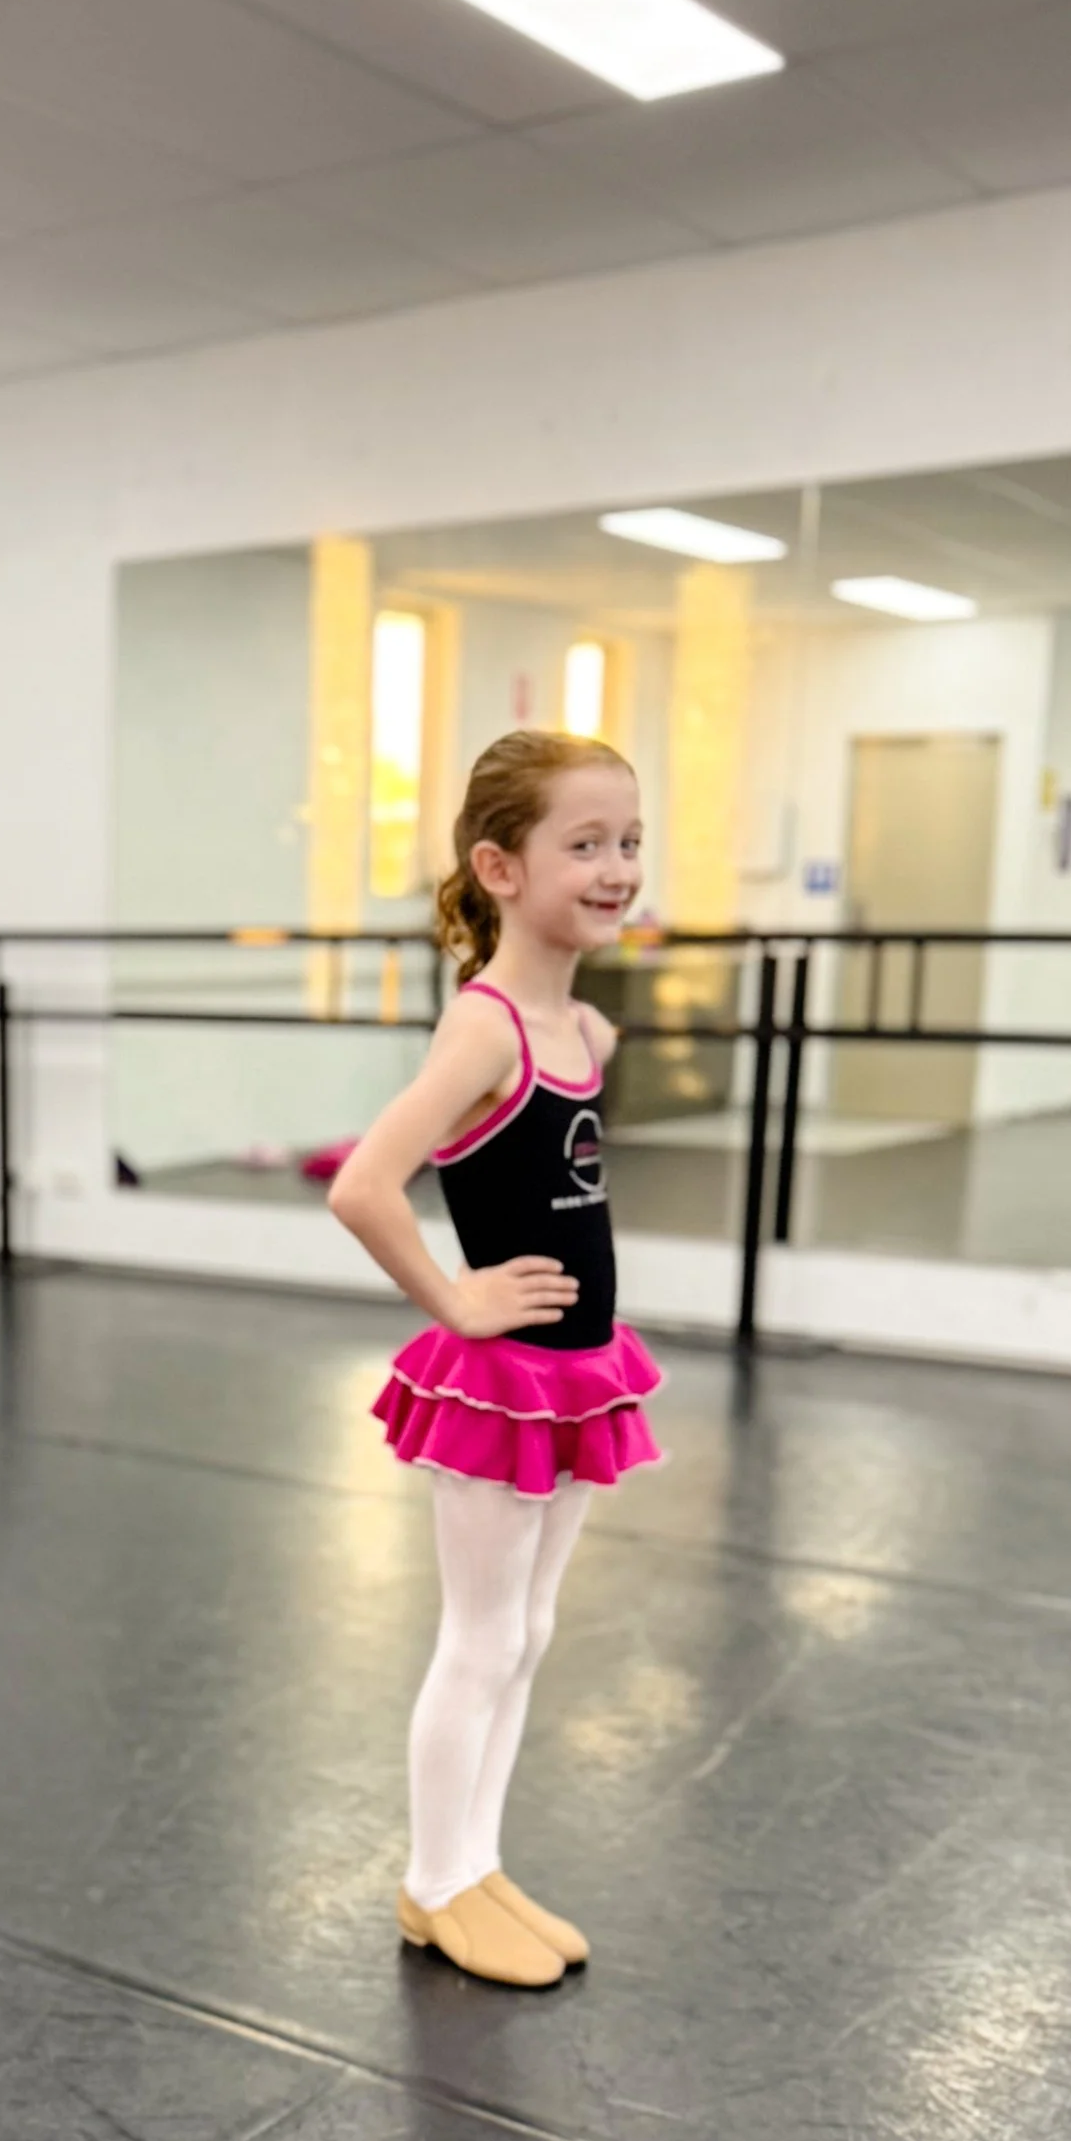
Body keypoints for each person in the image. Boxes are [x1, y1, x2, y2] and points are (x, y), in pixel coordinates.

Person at [328, 729, 662, 1989]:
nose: (616, 866)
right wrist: (452, 1301)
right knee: (479, 1637)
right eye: (584, 844)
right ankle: (432, 1882)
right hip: (504, 1382)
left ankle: (477, 1860)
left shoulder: (586, 1029)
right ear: (500, 866)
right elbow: (363, 1186)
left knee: (530, 1631)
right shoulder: (485, 1032)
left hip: (582, 1368)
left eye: (628, 841)